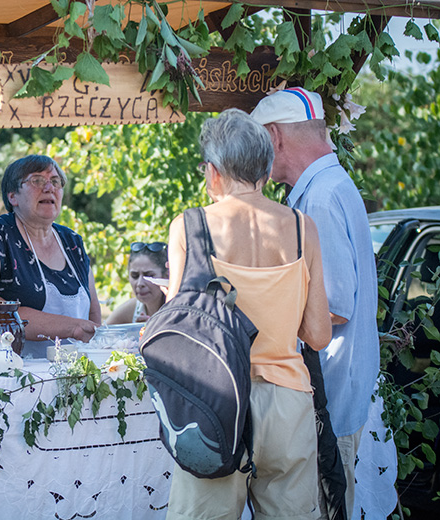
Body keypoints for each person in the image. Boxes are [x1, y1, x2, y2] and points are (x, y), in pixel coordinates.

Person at [165, 109, 332, 519]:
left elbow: (175, 327)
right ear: (265, 167)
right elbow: (318, 334)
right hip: (288, 404)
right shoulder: (301, 226)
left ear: (214, 171)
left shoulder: (189, 226)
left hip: (217, 403)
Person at [251, 87, 379, 520]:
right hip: (340, 388)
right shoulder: (326, 185)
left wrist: (257, 313)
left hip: (332, 395)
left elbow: (335, 308)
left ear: (274, 137)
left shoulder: (320, 198)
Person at [0, 154, 101, 357]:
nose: (49, 188)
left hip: (78, 371)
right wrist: (71, 328)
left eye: (55, 182)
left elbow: (93, 312)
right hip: (18, 374)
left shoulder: (72, 241)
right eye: (37, 180)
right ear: (12, 196)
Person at [106, 241, 167, 324]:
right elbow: (102, 333)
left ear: (166, 276)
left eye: (148, 276)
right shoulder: (131, 309)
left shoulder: (179, 309)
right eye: (134, 276)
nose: (140, 284)